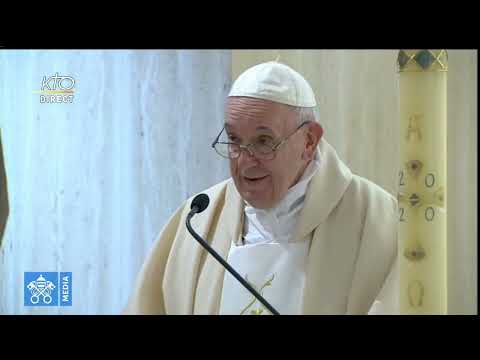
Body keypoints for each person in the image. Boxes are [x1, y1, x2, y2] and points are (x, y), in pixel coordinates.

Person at [123, 61, 398, 315]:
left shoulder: (374, 218)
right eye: (233, 140)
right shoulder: (200, 217)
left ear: (309, 141)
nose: (244, 161)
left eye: (263, 141)